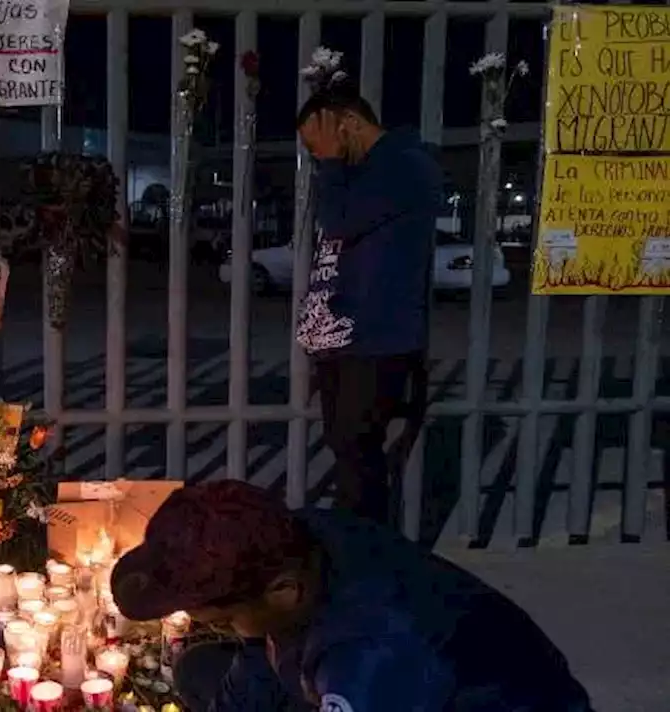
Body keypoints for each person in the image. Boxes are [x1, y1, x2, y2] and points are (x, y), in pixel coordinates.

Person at [110, 481, 593, 712]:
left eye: (222, 618)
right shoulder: (294, 539)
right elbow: (257, 657)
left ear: (282, 593)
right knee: (201, 670)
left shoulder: (374, 654)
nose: (217, 624)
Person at [292, 77, 442, 524]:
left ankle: (364, 554)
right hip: (349, 334)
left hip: (378, 337)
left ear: (350, 123)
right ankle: (360, 547)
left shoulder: (405, 165)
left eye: (319, 142)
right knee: (347, 449)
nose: (317, 155)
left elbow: (339, 221)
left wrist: (332, 163)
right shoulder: (368, 171)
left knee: (358, 452)